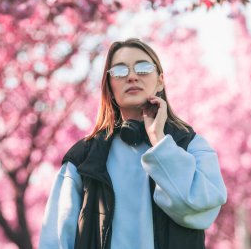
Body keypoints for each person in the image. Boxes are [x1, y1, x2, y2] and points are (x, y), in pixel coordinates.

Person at [38, 38, 227, 249]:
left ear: (160, 81)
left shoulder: (191, 145)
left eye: (143, 68)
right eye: (119, 71)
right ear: (109, 87)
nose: (132, 76)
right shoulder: (82, 159)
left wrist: (159, 140)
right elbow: (54, 239)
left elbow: (200, 211)